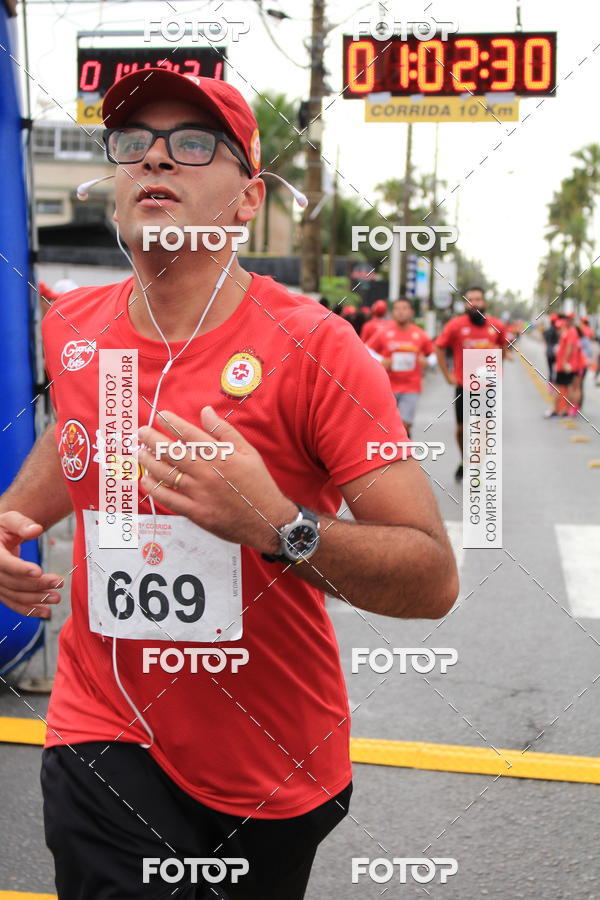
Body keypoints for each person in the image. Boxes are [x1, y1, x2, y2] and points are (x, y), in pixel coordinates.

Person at [0, 69, 458, 900]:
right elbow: (78, 441)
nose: (156, 162)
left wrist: (277, 524)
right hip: (100, 725)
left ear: (248, 201)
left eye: (192, 143)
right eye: (133, 144)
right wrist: (12, 516)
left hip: (271, 760)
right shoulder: (73, 326)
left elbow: (432, 579)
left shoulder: (316, 347)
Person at [435, 287, 510, 480]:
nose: (474, 303)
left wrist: (498, 365)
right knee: (462, 429)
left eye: (478, 299)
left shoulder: (496, 325)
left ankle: (476, 467)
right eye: (470, 300)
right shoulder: (455, 325)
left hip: (487, 387)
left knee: (482, 429)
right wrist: (446, 375)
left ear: (484, 303)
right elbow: (439, 347)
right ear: (465, 304)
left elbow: (504, 345)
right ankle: (464, 459)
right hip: (464, 385)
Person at [366, 297, 434, 437]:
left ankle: (404, 454)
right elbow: (366, 350)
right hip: (387, 386)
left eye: (404, 308)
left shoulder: (420, 334)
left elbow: (433, 355)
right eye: (397, 309)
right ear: (392, 312)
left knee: (404, 425)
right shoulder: (384, 332)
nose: (400, 312)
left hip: (411, 387)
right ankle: (397, 454)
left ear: (411, 312)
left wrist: (427, 362)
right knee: (387, 427)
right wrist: (381, 360)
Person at [542, 314, 560, 383]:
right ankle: (556, 383)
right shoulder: (557, 331)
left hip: (549, 351)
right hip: (556, 351)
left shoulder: (546, 331)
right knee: (556, 369)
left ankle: (551, 384)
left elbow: (545, 341)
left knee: (550, 370)